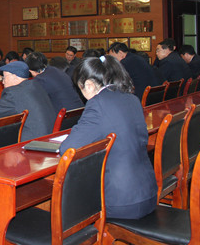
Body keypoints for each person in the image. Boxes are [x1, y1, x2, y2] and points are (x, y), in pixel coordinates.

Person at [60, 55, 157, 219]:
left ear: (89, 85)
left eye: (80, 88)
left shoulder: (97, 103)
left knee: (66, 199)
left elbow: (67, 149)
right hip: (148, 194)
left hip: (120, 201)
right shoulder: (131, 98)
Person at [0, 61, 56, 141]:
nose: (3, 82)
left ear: (15, 76)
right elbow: (14, 106)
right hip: (50, 135)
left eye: (4, 77)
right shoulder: (35, 85)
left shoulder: (13, 93)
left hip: (32, 142)